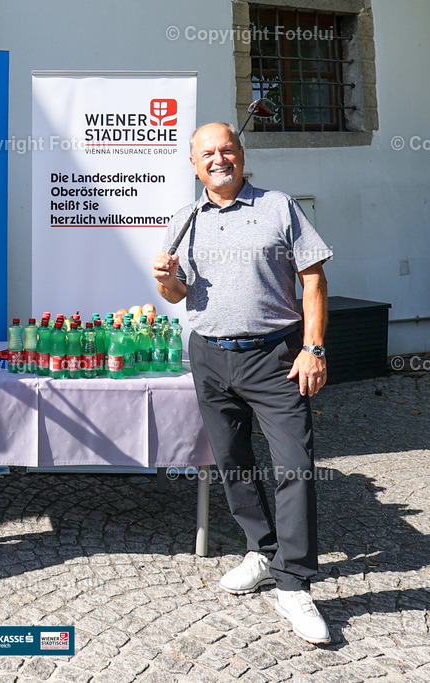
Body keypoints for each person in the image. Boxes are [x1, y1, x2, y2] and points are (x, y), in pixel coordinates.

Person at [153, 122, 332, 645]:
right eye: (207, 153)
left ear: (242, 154)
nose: (218, 159)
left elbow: (314, 279)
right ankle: (261, 548)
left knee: (295, 466)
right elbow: (177, 294)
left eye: (226, 149)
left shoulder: (278, 206)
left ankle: (294, 582)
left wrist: (313, 347)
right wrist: (167, 280)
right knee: (233, 463)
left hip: (276, 356)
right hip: (209, 356)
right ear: (193, 164)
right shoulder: (186, 219)